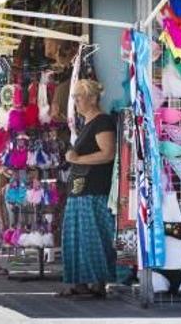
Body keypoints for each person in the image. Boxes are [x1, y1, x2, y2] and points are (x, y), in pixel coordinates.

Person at [57, 79, 117, 299]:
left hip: (94, 190)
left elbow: (108, 153)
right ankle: (78, 282)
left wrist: (78, 158)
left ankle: (97, 282)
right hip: (80, 189)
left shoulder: (102, 122)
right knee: (76, 237)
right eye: (74, 98)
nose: (76, 102)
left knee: (94, 236)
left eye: (79, 97)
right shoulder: (87, 123)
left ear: (92, 98)